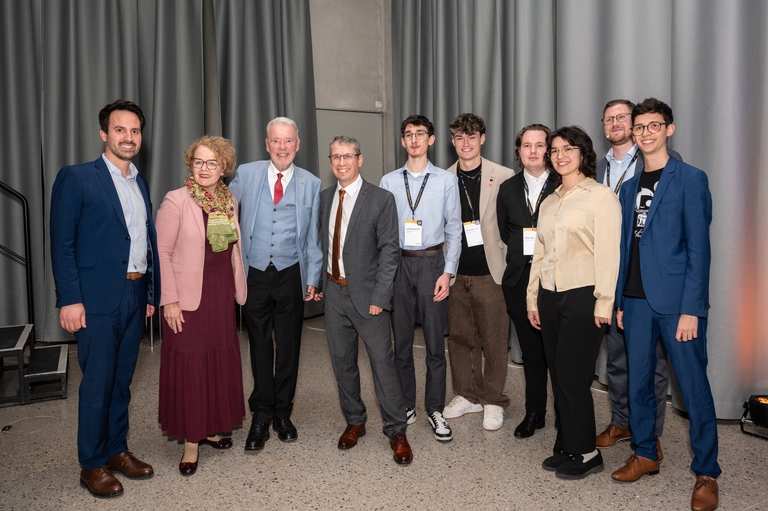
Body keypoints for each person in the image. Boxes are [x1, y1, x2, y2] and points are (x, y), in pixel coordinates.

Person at [610, 98, 720, 511]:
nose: (646, 132)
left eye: (654, 125)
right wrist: (621, 299)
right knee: (638, 383)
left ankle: (707, 471)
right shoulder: (628, 187)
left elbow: (699, 250)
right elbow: (625, 249)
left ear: (668, 130)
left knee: (693, 390)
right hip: (635, 303)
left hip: (678, 306)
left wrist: (693, 308)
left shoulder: (690, 179)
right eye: (639, 127)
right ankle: (646, 453)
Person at [50, 99, 159, 498]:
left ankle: (117, 450)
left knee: (122, 382)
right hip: (93, 300)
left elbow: (143, 241)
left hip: (133, 294)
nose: (128, 138)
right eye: (120, 130)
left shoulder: (139, 181)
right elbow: (62, 244)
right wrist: (70, 299)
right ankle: (92, 463)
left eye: (134, 131)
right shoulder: (77, 178)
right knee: (97, 383)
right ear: (104, 134)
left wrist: (148, 293)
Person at [526, 126, 621, 479]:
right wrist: (532, 297)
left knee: (571, 375)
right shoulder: (549, 200)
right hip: (549, 296)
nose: (560, 155)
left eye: (568, 149)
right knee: (561, 373)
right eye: (554, 150)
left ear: (583, 153)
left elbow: (609, 255)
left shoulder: (601, 197)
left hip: (585, 295)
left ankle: (587, 452)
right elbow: (540, 253)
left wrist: (604, 303)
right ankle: (568, 443)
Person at [315, 135, 413, 464]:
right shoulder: (326, 197)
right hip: (334, 295)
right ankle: (355, 421)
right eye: (335, 157)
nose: (341, 162)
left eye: (348, 156)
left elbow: (389, 251)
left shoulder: (381, 199)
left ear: (360, 159)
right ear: (330, 161)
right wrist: (319, 284)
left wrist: (381, 297)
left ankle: (397, 429)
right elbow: (323, 245)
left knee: (382, 366)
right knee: (342, 365)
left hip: (369, 297)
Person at [229, 117, 322, 451]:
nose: (282, 148)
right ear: (267, 144)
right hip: (254, 272)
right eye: (276, 141)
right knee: (259, 345)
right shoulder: (246, 174)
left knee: (289, 346)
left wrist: (312, 277)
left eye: (288, 141)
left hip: (290, 273)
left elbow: (313, 236)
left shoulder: (311, 183)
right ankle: (262, 413)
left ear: (297, 144)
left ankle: (283, 412)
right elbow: (224, 214)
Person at [156, 136, 247, 476]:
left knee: (216, 360)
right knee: (192, 364)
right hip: (188, 298)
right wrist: (170, 300)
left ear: (223, 168)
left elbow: (233, 249)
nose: (204, 169)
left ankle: (209, 427)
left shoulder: (229, 200)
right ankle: (191, 442)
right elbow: (162, 253)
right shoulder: (176, 200)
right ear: (190, 164)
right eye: (198, 162)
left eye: (212, 163)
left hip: (220, 293)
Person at [594, 99, 680, 452]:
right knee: (617, 359)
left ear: (636, 124)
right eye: (609, 119)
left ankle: (651, 433)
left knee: (653, 365)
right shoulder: (595, 167)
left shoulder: (651, 166)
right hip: (610, 275)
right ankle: (621, 423)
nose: (615, 124)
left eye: (622, 118)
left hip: (646, 279)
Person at [379, 114, 462, 442]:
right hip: (399, 265)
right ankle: (405, 404)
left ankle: (435, 408)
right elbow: (383, 232)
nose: (414, 140)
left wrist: (448, 271)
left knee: (433, 344)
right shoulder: (388, 181)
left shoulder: (444, 180)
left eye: (421, 134)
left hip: (431, 264)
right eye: (409, 135)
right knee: (399, 343)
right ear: (402, 141)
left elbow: (454, 227)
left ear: (431, 139)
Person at [442, 113, 513, 431]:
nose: (465, 143)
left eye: (471, 137)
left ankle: (493, 400)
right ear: (452, 142)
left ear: (482, 138)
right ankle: (467, 395)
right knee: (459, 338)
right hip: (456, 272)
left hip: (491, 272)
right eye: (459, 138)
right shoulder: (443, 178)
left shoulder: (504, 175)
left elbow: (513, 225)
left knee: (494, 340)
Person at [496, 124, 559, 438]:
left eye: (539, 145)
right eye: (526, 146)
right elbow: (506, 233)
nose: (533, 151)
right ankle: (536, 412)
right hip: (520, 280)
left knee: (560, 353)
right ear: (518, 152)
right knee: (532, 354)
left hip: (557, 281)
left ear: (549, 149)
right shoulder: (507, 189)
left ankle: (567, 415)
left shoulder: (565, 183)